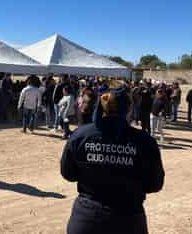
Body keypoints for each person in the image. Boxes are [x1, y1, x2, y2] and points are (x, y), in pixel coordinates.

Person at [61, 87, 164, 234]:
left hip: (87, 218)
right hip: (128, 220)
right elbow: (154, 184)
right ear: (129, 109)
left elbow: (68, 174)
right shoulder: (145, 141)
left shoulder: (80, 135)